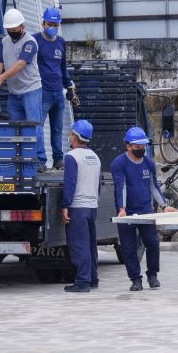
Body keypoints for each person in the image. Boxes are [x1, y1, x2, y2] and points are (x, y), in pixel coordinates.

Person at [111, 126, 178, 291]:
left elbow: (153, 186)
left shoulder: (148, 163)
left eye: (143, 146)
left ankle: (152, 274)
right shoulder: (119, 163)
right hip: (126, 213)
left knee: (153, 244)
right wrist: (122, 208)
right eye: (137, 146)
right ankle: (135, 279)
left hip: (146, 210)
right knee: (128, 248)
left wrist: (164, 205)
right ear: (128, 146)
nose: (141, 149)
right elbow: (122, 187)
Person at [0, 8, 47, 173]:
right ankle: (20, 159)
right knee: (16, 127)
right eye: (9, 30)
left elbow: (21, 64)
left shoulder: (30, 43)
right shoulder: (5, 41)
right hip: (14, 93)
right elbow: (0, 61)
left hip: (31, 90)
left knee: (34, 125)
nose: (12, 33)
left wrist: (1, 78)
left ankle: (40, 160)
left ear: (22, 26)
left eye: (14, 30)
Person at [33, 7, 76, 170]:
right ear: (43, 23)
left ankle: (58, 160)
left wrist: (69, 86)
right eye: (50, 24)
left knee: (57, 129)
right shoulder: (35, 40)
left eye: (56, 25)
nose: (53, 27)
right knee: (38, 127)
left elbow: (63, 66)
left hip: (58, 92)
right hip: (42, 91)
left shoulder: (61, 42)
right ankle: (40, 160)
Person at [61, 120, 101, 293]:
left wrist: (65, 205)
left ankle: (82, 282)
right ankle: (92, 278)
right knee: (91, 245)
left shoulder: (72, 157)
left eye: (71, 133)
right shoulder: (95, 156)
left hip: (77, 207)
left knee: (79, 245)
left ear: (75, 136)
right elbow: (98, 185)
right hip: (92, 206)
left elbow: (69, 184)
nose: (69, 136)